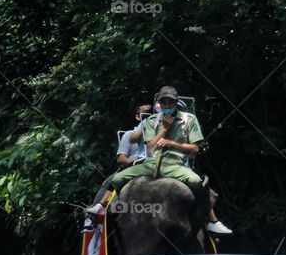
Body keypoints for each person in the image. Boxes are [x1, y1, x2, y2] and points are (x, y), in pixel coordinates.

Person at [87, 86, 232, 235]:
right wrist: (163, 129)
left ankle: (211, 221)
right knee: (118, 177)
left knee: (196, 181)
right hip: (151, 163)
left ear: (176, 102)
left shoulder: (189, 119)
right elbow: (150, 147)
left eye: (170, 102)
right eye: (164, 102)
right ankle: (100, 206)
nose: (167, 105)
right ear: (159, 103)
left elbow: (195, 149)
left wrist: (171, 143)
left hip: (175, 164)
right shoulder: (151, 120)